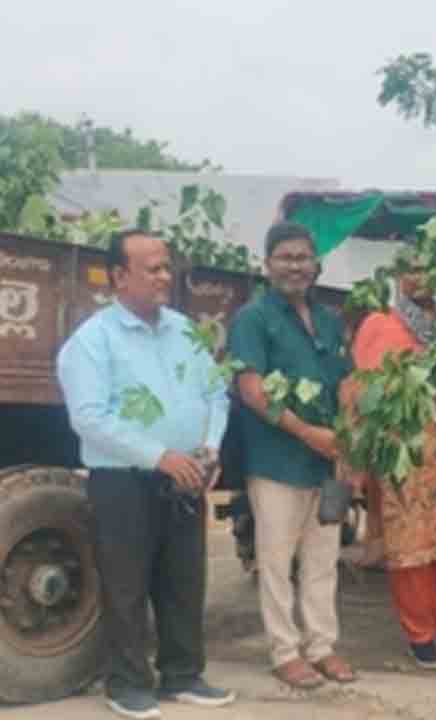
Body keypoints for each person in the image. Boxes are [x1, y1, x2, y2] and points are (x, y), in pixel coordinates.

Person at [57, 229, 235, 719]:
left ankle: (182, 675)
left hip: (185, 476)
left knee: (183, 580)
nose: (165, 276)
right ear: (119, 276)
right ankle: (128, 684)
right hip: (123, 481)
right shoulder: (93, 342)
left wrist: (210, 447)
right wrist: (160, 455)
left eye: (166, 266)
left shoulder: (185, 332)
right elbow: (89, 417)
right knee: (127, 585)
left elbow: (216, 393)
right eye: (153, 268)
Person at [227, 222, 355, 689]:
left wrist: (347, 448)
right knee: (277, 561)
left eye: (303, 257)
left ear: (316, 265)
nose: (295, 266)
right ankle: (284, 651)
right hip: (276, 459)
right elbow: (252, 391)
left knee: (323, 561)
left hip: (326, 461)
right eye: (285, 257)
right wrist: (307, 433)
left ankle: (321, 646)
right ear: (267, 264)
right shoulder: (253, 319)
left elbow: (345, 383)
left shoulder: (328, 320)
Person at [343, 266, 436, 670]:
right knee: (413, 545)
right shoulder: (381, 324)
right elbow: (367, 388)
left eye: (431, 267)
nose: (422, 276)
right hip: (405, 450)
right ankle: (420, 634)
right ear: (398, 275)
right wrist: (428, 386)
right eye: (414, 267)